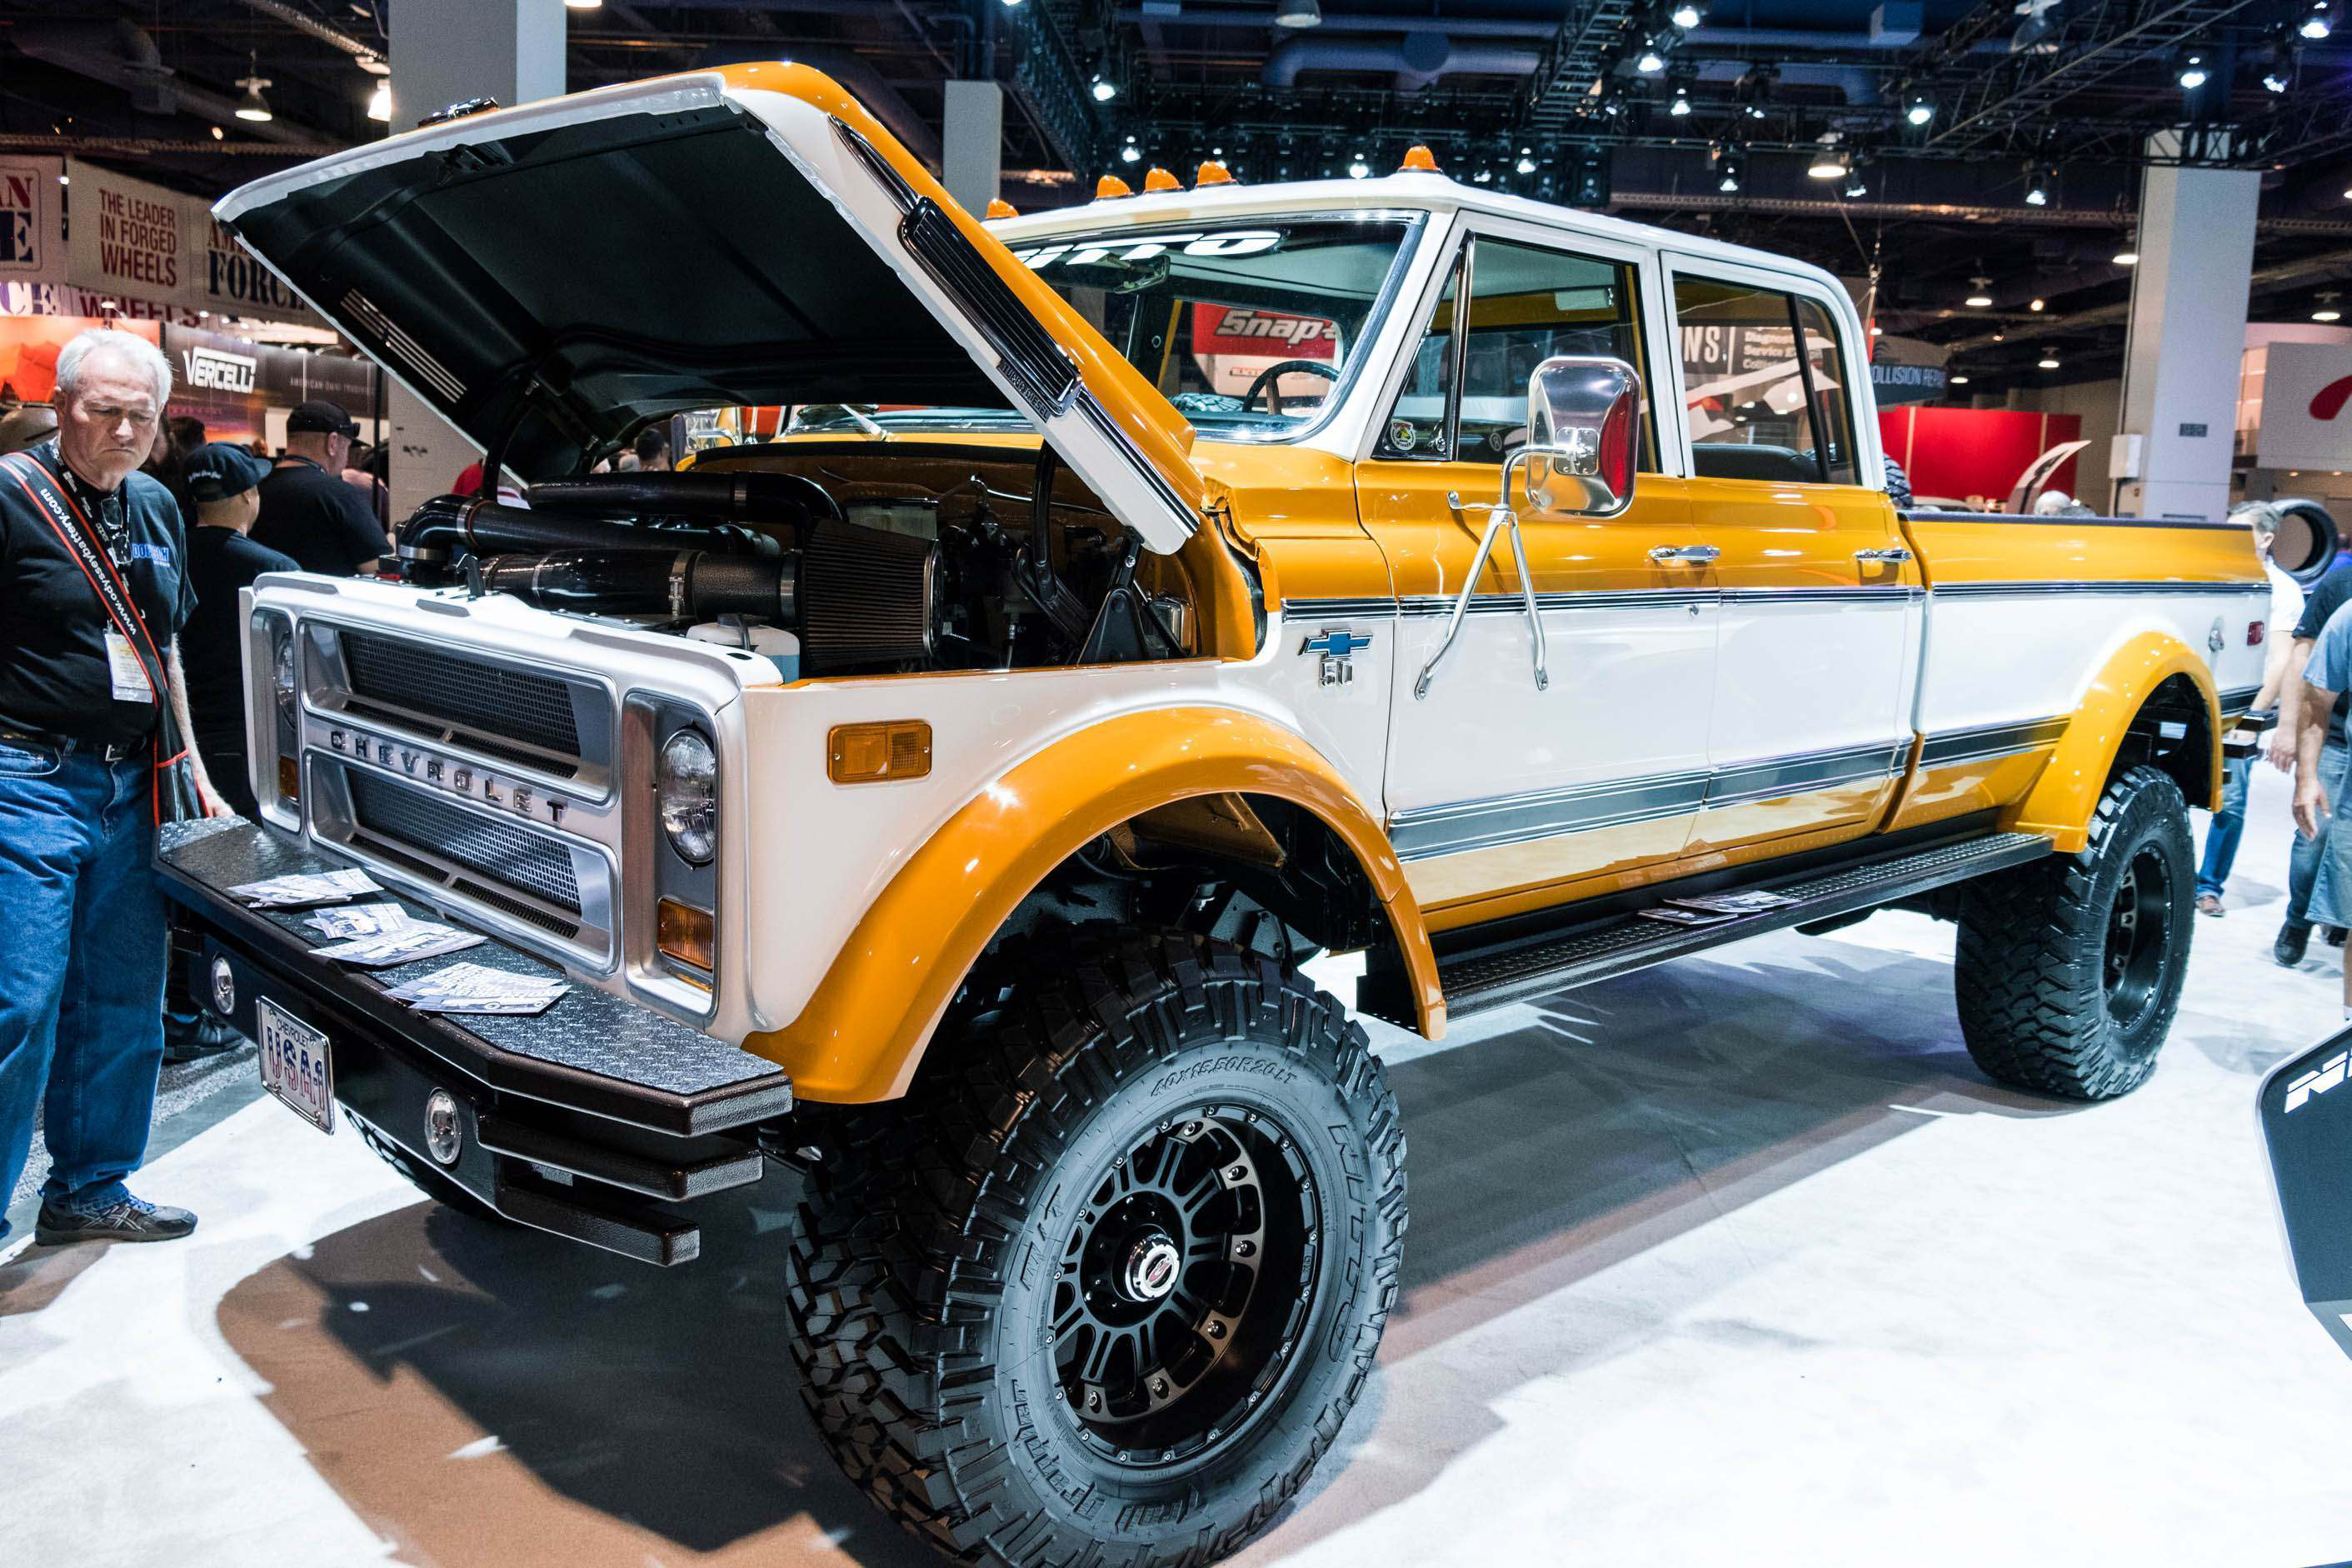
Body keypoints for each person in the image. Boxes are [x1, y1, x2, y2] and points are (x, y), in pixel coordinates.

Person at [0, 327, 232, 1251]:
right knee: (19, 998)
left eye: (142, 415)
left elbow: (162, 647)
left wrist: (199, 778)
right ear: (61, 407)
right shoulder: (12, 497)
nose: (124, 429)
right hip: (27, 777)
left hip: (133, 786)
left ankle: (91, 1188)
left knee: (123, 995)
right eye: (104, 410)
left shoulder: (156, 506)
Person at [2196, 502, 2305, 914]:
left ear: (2266, 538)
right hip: (2196, 702)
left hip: (2240, 712)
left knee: (2232, 801)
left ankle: (2209, 886)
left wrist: (2249, 719)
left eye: (2240, 531)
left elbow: (2281, 658)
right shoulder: (2215, 576)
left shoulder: (2282, 590)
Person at [179, 442, 297, 817]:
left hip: (180, 741)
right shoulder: (274, 571)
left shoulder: (166, 557)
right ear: (249, 494)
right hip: (250, 742)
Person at [2276, 545, 2352, 964]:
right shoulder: (2342, 586)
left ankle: (2339, 916)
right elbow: (2303, 659)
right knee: (2314, 836)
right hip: (2333, 735)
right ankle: (2299, 919)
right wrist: (2287, 727)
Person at [251, 400, 390, 577]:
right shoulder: (341, 495)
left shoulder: (254, 491)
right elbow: (381, 570)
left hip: (266, 601)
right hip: (326, 603)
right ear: (332, 443)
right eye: (346, 447)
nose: (346, 459)